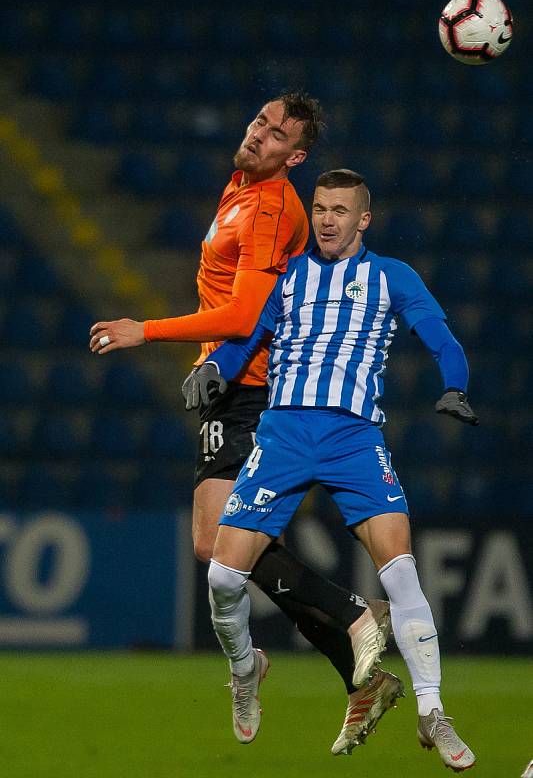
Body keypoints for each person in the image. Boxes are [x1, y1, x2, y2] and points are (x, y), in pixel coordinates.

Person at [89, 97, 401, 747]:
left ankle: (353, 617)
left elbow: (241, 313)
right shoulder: (240, 186)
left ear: (296, 155)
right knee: (215, 547)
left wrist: (141, 330)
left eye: (276, 134)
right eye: (259, 122)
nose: (258, 134)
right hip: (230, 388)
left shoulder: (267, 205)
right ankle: (353, 665)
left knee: (230, 546)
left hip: (260, 390)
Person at [186, 169, 478, 770]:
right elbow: (250, 340)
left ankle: (432, 711)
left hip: (353, 438)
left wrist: (456, 386)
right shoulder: (287, 276)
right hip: (284, 433)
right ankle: (245, 669)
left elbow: (442, 337)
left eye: (339, 210)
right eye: (319, 208)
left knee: (400, 572)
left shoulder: (391, 276)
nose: (325, 219)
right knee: (221, 576)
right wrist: (219, 366)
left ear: (363, 219)